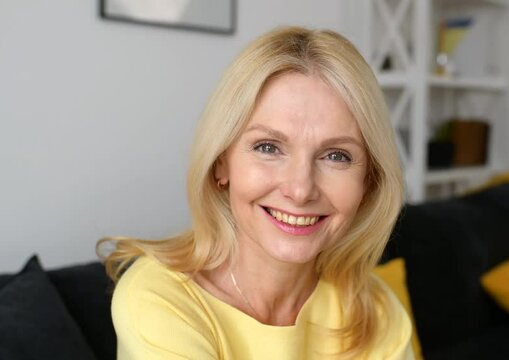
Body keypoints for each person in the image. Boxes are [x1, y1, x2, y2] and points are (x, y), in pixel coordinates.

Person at [98, 26, 413, 359]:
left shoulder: (376, 313)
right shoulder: (159, 300)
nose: (300, 189)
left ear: (368, 181)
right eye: (268, 147)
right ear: (222, 163)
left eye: (336, 156)